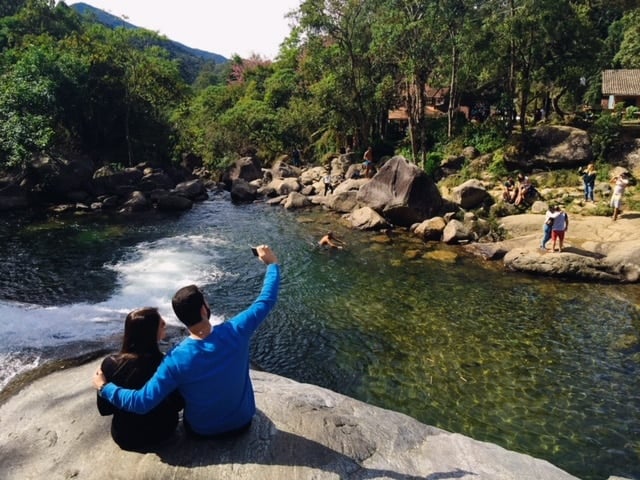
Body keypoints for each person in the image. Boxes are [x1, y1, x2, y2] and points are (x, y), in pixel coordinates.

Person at [93, 245, 280, 439]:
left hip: (202, 431)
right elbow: (266, 299)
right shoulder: (237, 330)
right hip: (242, 423)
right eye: (206, 302)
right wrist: (271, 264)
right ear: (203, 310)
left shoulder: (175, 359)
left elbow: (141, 403)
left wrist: (105, 388)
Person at [97, 307, 184, 451]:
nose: (166, 324)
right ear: (153, 333)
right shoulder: (166, 364)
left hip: (126, 437)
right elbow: (178, 404)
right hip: (164, 432)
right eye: (162, 324)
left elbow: (105, 409)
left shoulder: (110, 363)